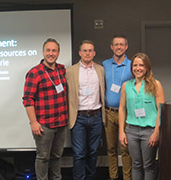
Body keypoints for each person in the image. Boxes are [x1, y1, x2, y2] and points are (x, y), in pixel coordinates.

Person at [22, 38, 68, 180]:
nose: (51, 53)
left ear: (58, 53)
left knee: (57, 156)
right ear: (43, 52)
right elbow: (27, 100)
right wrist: (33, 122)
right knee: (43, 158)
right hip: (44, 125)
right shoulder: (34, 73)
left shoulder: (61, 69)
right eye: (48, 50)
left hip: (61, 123)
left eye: (54, 50)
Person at [119, 52, 165, 180]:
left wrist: (157, 132)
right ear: (131, 67)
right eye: (135, 65)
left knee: (149, 165)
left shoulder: (156, 85)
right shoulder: (126, 86)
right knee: (136, 164)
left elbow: (161, 111)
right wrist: (121, 132)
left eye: (141, 65)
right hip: (131, 131)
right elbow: (122, 109)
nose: (138, 68)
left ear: (147, 67)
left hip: (149, 131)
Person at [66, 40, 105, 180]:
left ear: (94, 53)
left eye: (90, 51)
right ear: (79, 53)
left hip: (96, 116)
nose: (87, 53)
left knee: (94, 152)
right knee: (79, 153)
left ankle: (90, 177)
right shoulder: (70, 71)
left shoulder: (100, 70)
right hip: (79, 117)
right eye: (85, 50)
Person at [102, 34, 132, 180]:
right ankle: (112, 177)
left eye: (121, 44)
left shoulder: (133, 65)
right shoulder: (105, 65)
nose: (119, 47)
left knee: (126, 149)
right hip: (109, 113)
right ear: (111, 47)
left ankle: (127, 177)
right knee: (111, 149)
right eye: (116, 44)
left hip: (127, 113)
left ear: (126, 47)